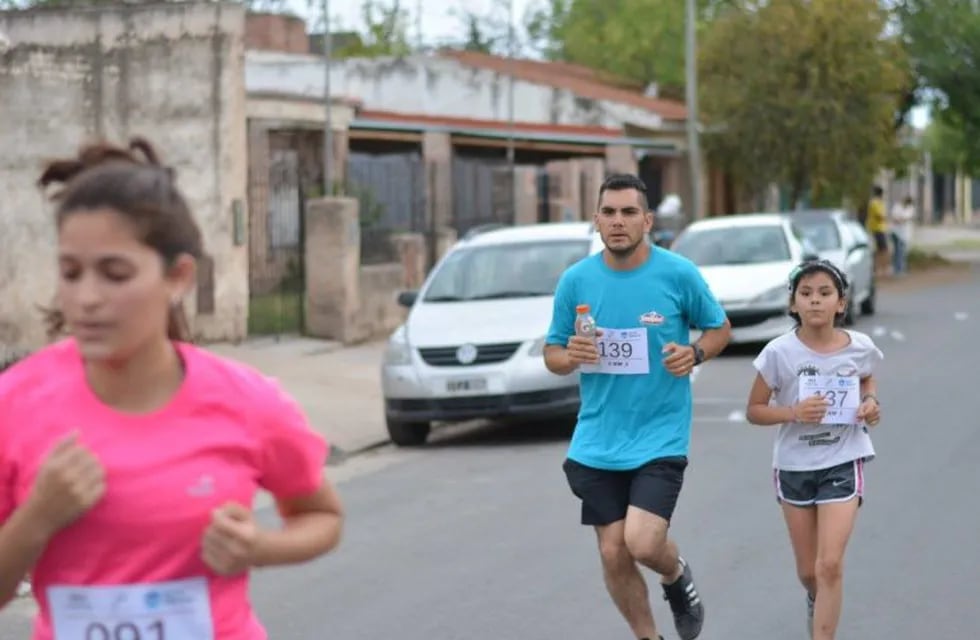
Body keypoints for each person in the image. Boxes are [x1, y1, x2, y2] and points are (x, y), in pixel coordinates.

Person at [0, 138, 344, 640]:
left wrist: (259, 548)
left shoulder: (246, 402)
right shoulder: (16, 403)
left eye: (115, 274)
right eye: (70, 273)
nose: (86, 298)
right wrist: (38, 517)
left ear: (178, 277)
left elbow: (322, 515)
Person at [543, 173, 732, 640]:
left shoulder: (677, 274)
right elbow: (552, 355)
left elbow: (718, 328)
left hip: (659, 433)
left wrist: (696, 352)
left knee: (642, 542)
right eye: (609, 212)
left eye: (629, 212)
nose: (618, 222)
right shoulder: (576, 281)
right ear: (597, 220)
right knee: (612, 552)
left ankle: (675, 573)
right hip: (598, 438)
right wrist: (571, 356)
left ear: (647, 220)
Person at [745, 260, 882, 640]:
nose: (815, 302)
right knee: (809, 573)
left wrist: (870, 401)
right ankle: (816, 598)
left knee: (830, 565)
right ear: (793, 305)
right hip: (793, 466)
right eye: (806, 294)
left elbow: (867, 377)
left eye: (825, 293)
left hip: (842, 458)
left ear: (841, 303)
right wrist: (793, 412)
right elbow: (754, 410)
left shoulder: (860, 347)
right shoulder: (778, 353)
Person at [865, 186, 890, 277]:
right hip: (877, 229)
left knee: (881, 250)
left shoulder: (878, 202)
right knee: (883, 250)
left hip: (880, 229)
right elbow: (880, 216)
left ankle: (881, 269)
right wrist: (887, 219)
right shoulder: (875, 203)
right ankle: (881, 270)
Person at [889, 195, 915, 275]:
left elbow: (904, 219)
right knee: (897, 251)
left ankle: (900, 269)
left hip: (904, 234)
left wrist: (899, 219)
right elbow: (894, 218)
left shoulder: (910, 208)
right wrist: (899, 219)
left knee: (902, 252)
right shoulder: (897, 206)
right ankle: (896, 269)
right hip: (895, 232)